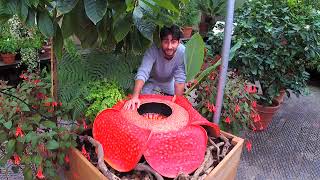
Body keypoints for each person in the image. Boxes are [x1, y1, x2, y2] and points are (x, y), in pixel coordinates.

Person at [123, 25, 186, 110]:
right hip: (151, 81)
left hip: (169, 83)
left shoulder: (183, 52)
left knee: (176, 105)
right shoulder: (153, 49)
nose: (169, 47)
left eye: (173, 42)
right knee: (141, 103)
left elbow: (180, 79)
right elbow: (143, 71)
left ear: (179, 42)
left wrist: (178, 104)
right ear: (160, 41)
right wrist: (134, 97)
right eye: (166, 42)